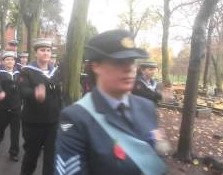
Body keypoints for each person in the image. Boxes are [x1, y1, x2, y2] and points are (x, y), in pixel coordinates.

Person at [54, 29, 168, 175]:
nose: (129, 68)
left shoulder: (147, 107)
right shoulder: (76, 118)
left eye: (132, 61)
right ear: (96, 66)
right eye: (119, 62)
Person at [20, 38, 62, 175]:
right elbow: (22, 90)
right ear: (36, 53)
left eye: (48, 50)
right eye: (42, 50)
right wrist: (34, 94)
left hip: (52, 123)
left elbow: (59, 95)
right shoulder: (27, 71)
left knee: (51, 160)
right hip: (33, 123)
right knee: (31, 157)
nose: (46, 53)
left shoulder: (56, 72)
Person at [0, 51, 21, 162]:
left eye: (12, 59)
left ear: (14, 62)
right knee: (0, 127)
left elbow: (22, 88)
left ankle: (14, 152)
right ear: (3, 62)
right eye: (7, 59)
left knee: (15, 131)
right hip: (3, 107)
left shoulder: (18, 74)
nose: (10, 61)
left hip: (16, 107)